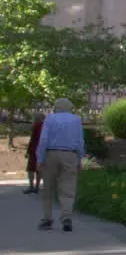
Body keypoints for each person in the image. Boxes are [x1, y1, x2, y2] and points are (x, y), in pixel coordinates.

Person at [36, 98, 85, 232]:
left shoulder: (50, 119)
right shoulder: (76, 120)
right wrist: (80, 158)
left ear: (56, 107)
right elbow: (80, 140)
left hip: (51, 154)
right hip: (70, 154)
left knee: (48, 188)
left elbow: (43, 139)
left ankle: (47, 219)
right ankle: (66, 217)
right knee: (68, 187)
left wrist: (39, 158)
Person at [23, 112, 44, 194]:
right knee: (39, 169)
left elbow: (33, 139)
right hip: (43, 150)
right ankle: (37, 187)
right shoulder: (46, 126)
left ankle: (31, 186)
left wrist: (28, 152)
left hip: (35, 150)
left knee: (30, 169)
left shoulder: (36, 125)